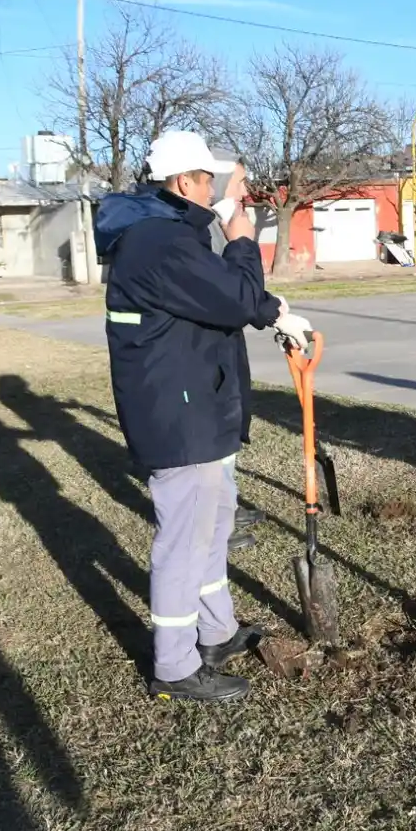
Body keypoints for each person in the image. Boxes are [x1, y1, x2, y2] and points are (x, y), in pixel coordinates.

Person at [95, 130, 312, 702]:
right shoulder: (157, 242)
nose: (217, 188)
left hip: (197, 404)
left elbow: (220, 299)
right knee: (185, 539)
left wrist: (273, 311)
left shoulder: (167, 234)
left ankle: (215, 632)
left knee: (214, 525)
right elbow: (236, 296)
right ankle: (173, 665)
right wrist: (239, 233)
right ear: (186, 183)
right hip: (178, 415)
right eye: (210, 180)